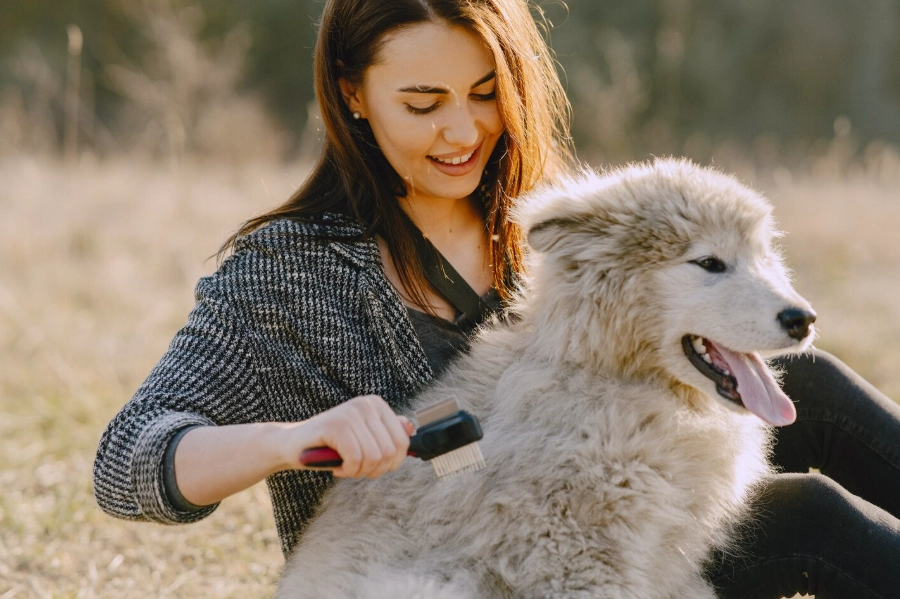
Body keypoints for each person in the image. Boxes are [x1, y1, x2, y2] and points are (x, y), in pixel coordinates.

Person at [92, 1, 900, 597]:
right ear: (353, 96)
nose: (462, 132)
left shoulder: (541, 226)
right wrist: (296, 439)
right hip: (462, 562)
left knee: (810, 383)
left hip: (622, 519)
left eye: (485, 92)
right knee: (811, 518)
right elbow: (128, 460)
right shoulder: (289, 276)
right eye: (422, 102)